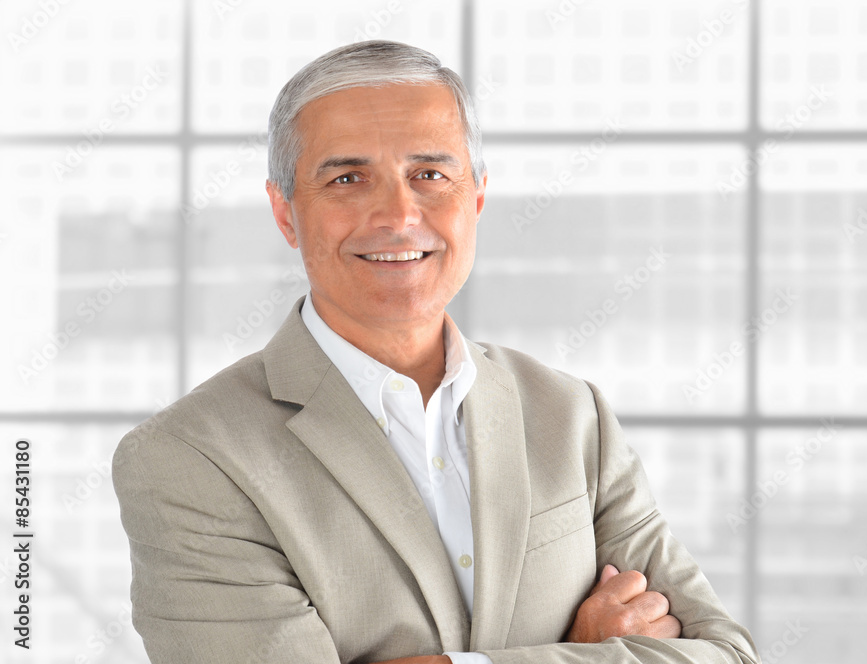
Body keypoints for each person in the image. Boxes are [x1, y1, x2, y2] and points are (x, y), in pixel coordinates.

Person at [113, 40, 759, 664]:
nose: (398, 215)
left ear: (475, 198)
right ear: (286, 214)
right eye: (347, 177)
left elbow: (725, 654)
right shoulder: (190, 458)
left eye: (429, 174)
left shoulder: (572, 416)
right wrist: (584, 648)